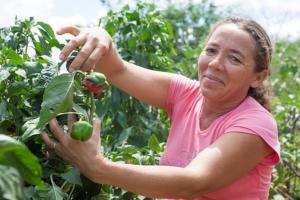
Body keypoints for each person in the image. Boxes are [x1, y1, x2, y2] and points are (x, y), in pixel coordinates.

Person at [42, 17, 280, 199]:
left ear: (258, 77)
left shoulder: (256, 124)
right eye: (211, 50)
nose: (215, 64)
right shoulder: (186, 94)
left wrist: (99, 168)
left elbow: (195, 181)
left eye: (235, 59)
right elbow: (117, 70)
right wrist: (100, 35)